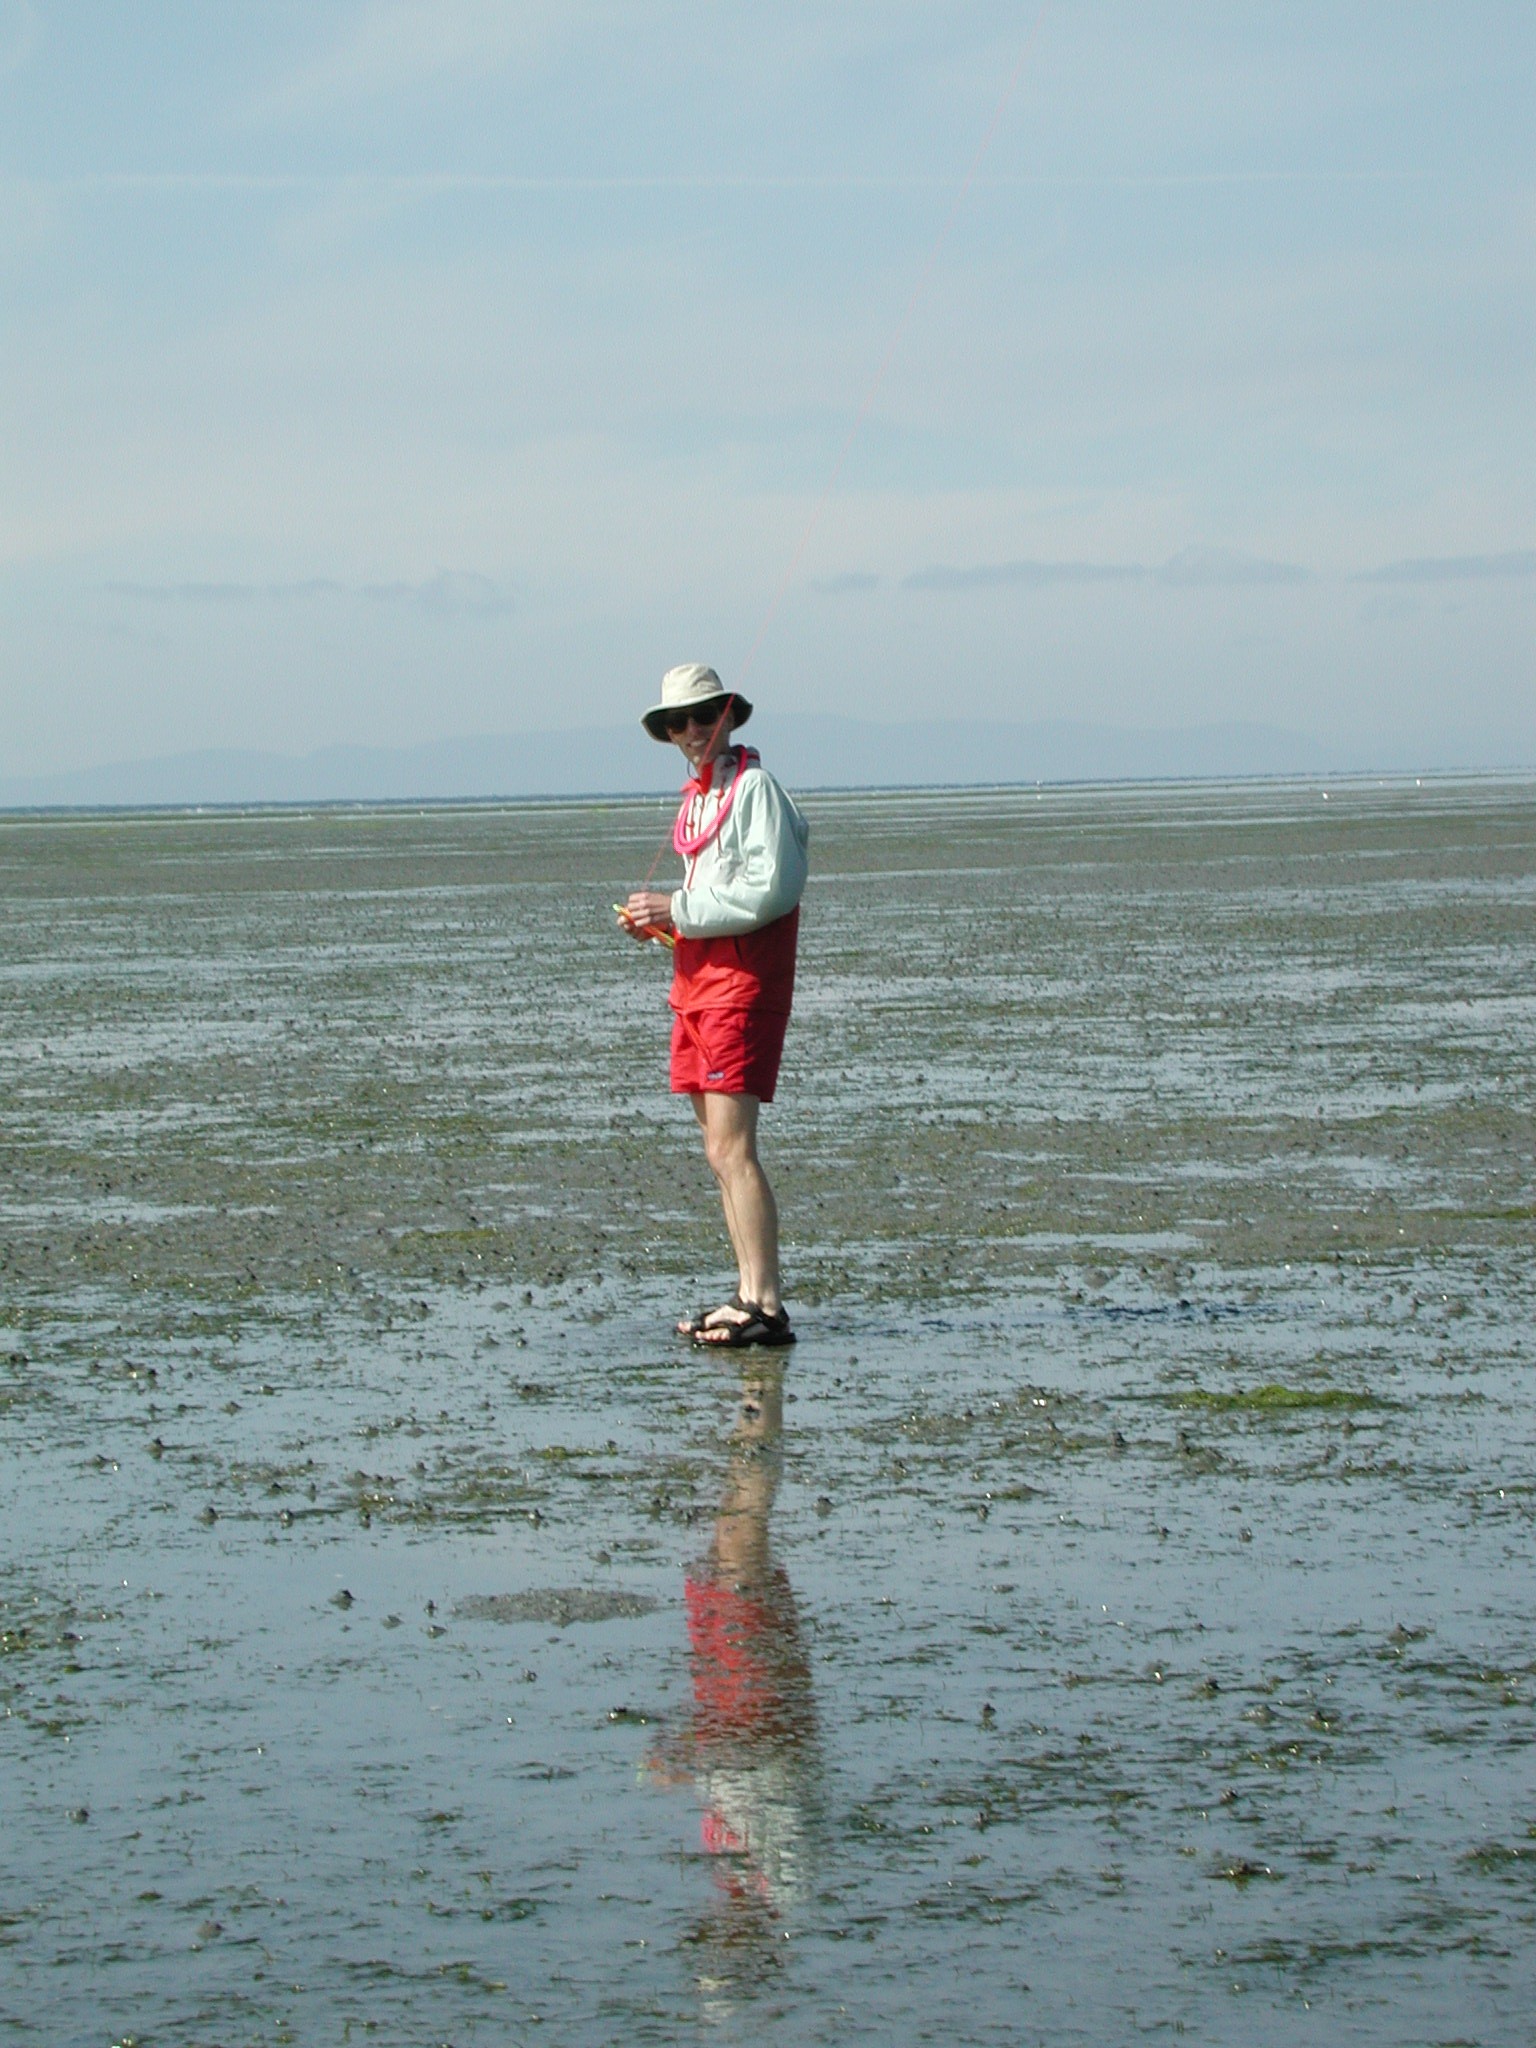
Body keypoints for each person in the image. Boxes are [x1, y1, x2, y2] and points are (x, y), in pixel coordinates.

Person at [622, 663, 809, 1347]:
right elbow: (706, 909)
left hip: (741, 990)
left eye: (704, 716)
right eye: (679, 722)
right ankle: (745, 1293)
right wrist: (662, 924)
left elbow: (774, 890)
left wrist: (678, 907)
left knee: (735, 1149)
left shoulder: (756, 790)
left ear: (729, 716)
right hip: (696, 989)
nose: (693, 731)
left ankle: (767, 1305)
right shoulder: (696, 801)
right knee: (715, 1150)